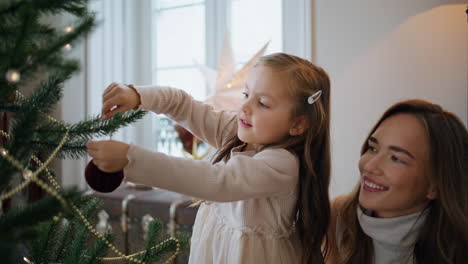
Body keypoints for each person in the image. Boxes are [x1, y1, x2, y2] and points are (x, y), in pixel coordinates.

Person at [87, 53, 332, 264]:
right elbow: (185, 107)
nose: (245, 108)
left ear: (298, 123)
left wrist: (131, 159)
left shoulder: (282, 165)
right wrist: (137, 96)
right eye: (246, 94)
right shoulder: (236, 132)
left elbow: (217, 182)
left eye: (263, 104)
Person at [326, 100, 468, 264]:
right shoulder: (337, 217)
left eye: (396, 158)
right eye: (373, 148)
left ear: (434, 186)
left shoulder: (458, 251)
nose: (369, 166)